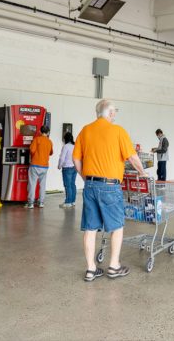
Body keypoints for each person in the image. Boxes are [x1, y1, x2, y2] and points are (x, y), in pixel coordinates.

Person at [73, 99, 147, 282]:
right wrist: (142, 172)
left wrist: (86, 177)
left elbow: (76, 160)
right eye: (115, 112)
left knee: (90, 228)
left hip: (90, 185)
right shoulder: (118, 131)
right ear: (111, 113)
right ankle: (114, 266)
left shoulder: (85, 130)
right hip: (110, 187)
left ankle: (91, 269)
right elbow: (132, 157)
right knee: (117, 227)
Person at [25, 125, 53, 209]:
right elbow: (51, 153)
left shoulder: (37, 139)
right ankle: (41, 202)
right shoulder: (49, 141)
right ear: (48, 132)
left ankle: (31, 203)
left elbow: (32, 150)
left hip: (35, 165)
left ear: (40, 132)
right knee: (42, 184)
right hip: (44, 166)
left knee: (32, 184)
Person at [58, 131, 77, 209]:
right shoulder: (74, 146)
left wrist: (59, 166)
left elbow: (62, 158)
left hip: (67, 168)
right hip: (74, 167)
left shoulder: (66, 146)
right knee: (72, 184)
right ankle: (72, 201)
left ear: (65, 139)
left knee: (67, 185)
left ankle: (68, 202)